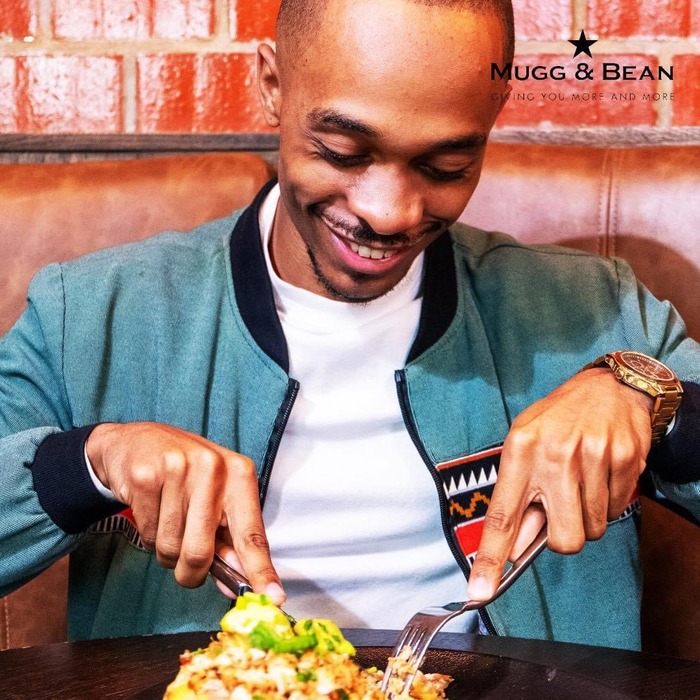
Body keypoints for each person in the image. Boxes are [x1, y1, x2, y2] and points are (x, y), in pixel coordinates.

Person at [1, 0, 698, 649]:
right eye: (342, 152)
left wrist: (650, 406)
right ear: (273, 85)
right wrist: (91, 463)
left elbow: (666, 404)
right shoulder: (89, 315)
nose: (389, 212)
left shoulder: (595, 310)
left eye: (446, 166)